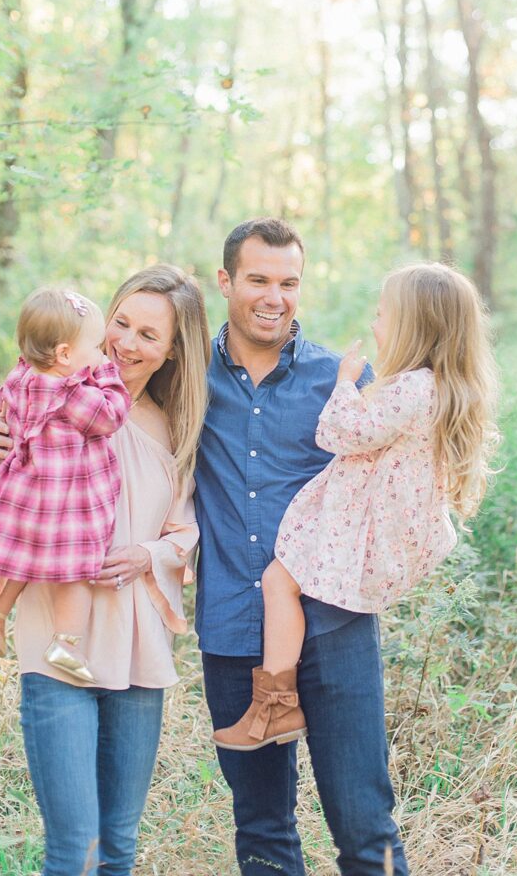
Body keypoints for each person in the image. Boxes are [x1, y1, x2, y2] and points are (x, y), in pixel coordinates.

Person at [0, 264, 210, 876]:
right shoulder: (52, 399)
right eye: (120, 322)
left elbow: (186, 532)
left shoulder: (175, 429)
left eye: (148, 335)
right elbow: (2, 498)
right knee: (74, 850)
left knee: (118, 849)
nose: (126, 342)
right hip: (58, 646)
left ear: (174, 350)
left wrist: (146, 555)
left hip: (137, 652)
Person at [196, 217, 409, 876]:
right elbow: (86, 416)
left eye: (289, 282)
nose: (274, 297)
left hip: (334, 623)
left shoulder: (339, 379)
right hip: (234, 629)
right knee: (262, 829)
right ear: (226, 280)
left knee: (364, 823)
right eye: (258, 279)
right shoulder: (185, 373)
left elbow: (405, 470)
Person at [213, 262, 498, 752]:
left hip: (363, 529)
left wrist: (344, 383)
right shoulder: (440, 390)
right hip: (385, 527)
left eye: (383, 315)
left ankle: (276, 705)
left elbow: (339, 433)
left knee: (279, 580)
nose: (374, 325)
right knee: (289, 582)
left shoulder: (412, 388)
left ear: (413, 326)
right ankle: (278, 704)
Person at [0, 287, 131, 683]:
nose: (101, 354)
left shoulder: (22, 376)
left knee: (25, 563)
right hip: (68, 503)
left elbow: (1, 406)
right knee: (76, 573)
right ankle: (66, 642)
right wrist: (108, 375)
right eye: (95, 347)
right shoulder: (75, 393)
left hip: (26, 497)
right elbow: (111, 417)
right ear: (63, 355)